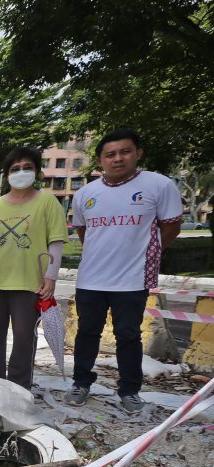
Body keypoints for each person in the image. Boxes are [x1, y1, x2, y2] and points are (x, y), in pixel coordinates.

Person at [64, 128, 182, 413]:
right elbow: (83, 232)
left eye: (125, 152)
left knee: (128, 335)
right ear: (101, 160)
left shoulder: (158, 185)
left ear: (137, 153)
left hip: (132, 279)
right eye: (110, 154)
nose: (118, 159)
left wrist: (144, 254)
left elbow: (171, 226)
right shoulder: (86, 194)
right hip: (91, 278)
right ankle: (81, 382)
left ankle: (129, 390)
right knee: (87, 333)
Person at [0, 146, 67, 390]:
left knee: (24, 339)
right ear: (7, 174)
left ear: (36, 171)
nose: (21, 173)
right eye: (15, 169)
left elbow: (56, 242)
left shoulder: (47, 202)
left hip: (29, 284)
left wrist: (51, 277)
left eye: (27, 168)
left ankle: (19, 387)